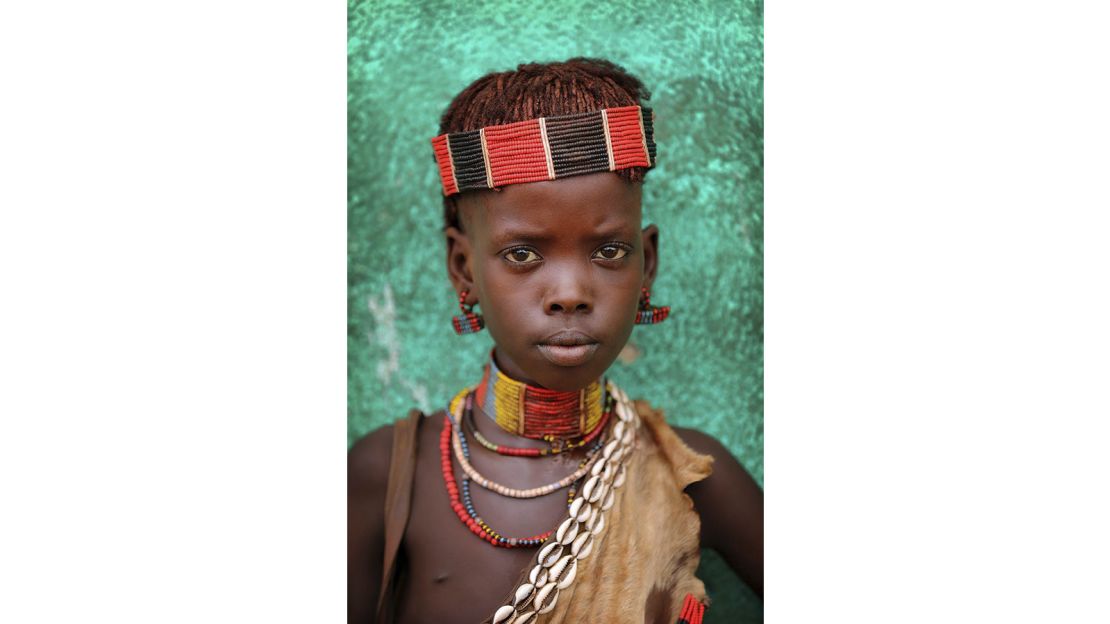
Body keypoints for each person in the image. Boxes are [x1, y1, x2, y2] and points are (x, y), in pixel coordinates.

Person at [349, 58, 763, 624]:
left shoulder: (690, 476)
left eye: (609, 252)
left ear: (648, 265)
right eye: (522, 254)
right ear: (463, 269)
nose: (569, 293)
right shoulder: (391, 473)